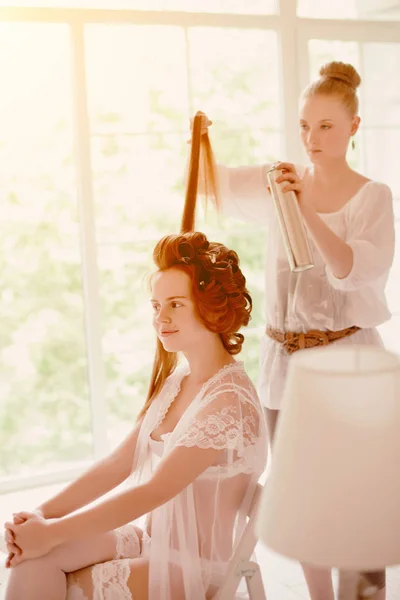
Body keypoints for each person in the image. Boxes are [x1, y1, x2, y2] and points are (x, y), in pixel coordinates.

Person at [3, 117, 268, 600]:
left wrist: (53, 532)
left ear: (211, 310)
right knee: (36, 558)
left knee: (52, 578)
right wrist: (41, 517)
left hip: (195, 569)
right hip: (158, 543)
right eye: (156, 306)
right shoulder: (182, 381)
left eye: (175, 304)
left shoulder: (227, 402)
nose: (160, 318)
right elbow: (117, 465)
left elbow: (152, 491)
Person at [191, 61, 395, 600]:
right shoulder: (279, 182)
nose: (311, 138)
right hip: (283, 364)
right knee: (304, 496)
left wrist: (305, 211)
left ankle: (363, 597)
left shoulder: (373, 197)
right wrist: (200, 137)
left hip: (348, 362)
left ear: (353, 127)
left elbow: (353, 269)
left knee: (357, 498)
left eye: (325, 126)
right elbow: (210, 181)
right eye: (305, 125)